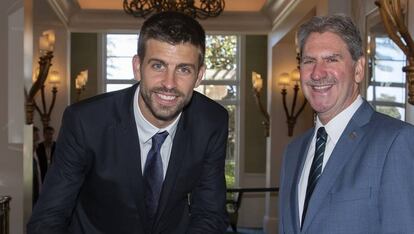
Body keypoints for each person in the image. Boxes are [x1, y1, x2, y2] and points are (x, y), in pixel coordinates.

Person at [27, 11, 229, 233]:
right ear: (137, 67)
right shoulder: (86, 122)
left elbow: (209, 214)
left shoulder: (211, 121)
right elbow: (49, 217)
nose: (169, 84)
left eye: (183, 69)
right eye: (158, 66)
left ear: (199, 76)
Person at [278, 14, 414, 233]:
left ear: (358, 69)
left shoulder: (396, 142)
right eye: (309, 61)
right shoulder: (293, 152)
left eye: (332, 59)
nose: (317, 73)